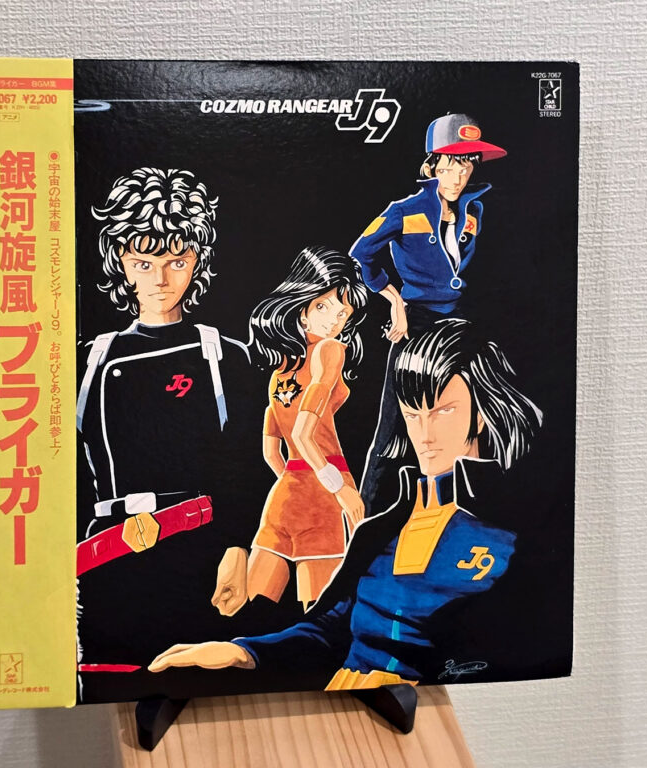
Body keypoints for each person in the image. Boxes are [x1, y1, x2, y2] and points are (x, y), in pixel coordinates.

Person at [149, 319, 542, 690]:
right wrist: (243, 652)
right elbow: (328, 628)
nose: (424, 433)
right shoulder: (379, 529)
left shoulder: (511, 533)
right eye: (412, 413)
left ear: (480, 416)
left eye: (443, 411)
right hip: (341, 700)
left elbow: (506, 649)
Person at [75, 167, 276, 702]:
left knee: (200, 677)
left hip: (199, 548)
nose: (161, 279)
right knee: (117, 680)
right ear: (121, 263)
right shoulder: (90, 360)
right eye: (144, 263)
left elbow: (249, 465)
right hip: (108, 553)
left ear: (197, 262)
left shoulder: (223, 356)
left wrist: (238, 546)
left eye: (176, 262)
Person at [349, 113, 507, 514]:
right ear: (433, 164)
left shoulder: (474, 211)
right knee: (393, 431)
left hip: (459, 328)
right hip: (417, 324)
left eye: (467, 164)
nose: (459, 175)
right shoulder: (405, 210)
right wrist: (395, 300)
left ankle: (468, 515)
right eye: (450, 164)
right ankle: (365, 523)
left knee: (472, 422)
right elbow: (361, 253)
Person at [210, 247, 369, 618]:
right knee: (322, 616)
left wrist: (294, 483)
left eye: (343, 313)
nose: (334, 321)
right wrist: (340, 489)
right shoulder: (330, 351)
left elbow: (271, 450)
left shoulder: (280, 371)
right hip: (325, 491)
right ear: (302, 306)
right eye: (323, 307)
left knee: (250, 611)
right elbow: (301, 435)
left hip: (284, 495)